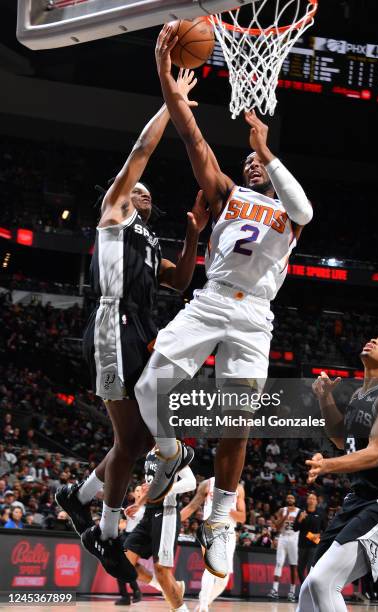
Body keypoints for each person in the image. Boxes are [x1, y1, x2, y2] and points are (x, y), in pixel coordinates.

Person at [134, 25, 313, 579]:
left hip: (255, 316)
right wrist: (169, 86)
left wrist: (267, 149)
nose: (253, 164)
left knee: (235, 421)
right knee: (147, 386)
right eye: (250, 161)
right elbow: (192, 139)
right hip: (211, 300)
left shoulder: (289, 213)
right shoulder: (227, 193)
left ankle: (219, 518)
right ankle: (171, 454)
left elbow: (305, 210)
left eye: (262, 163)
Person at [55, 70, 208, 581]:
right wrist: (172, 102)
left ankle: (80, 499)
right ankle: (107, 530)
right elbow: (141, 151)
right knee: (130, 440)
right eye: (133, 188)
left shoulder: (151, 239)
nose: (140, 191)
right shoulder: (114, 214)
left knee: (139, 442)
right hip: (113, 320)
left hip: (142, 326)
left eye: (145, 192)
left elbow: (182, 281)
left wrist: (192, 237)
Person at [297, 335, 378, 612]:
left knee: (324, 583)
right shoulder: (361, 395)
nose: (374, 340)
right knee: (311, 584)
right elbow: (339, 438)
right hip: (360, 498)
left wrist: (327, 466)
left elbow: (375, 453)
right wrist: (325, 398)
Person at [123, 447, 196, 612]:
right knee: (125, 563)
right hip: (149, 513)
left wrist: (163, 489)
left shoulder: (172, 450)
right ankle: (170, 587)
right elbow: (150, 487)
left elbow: (191, 482)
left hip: (166, 513)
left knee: (161, 570)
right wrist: (139, 503)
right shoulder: (149, 454)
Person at [180, 478, 246, 611]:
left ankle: (205, 600)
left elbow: (242, 517)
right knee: (211, 569)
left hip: (229, 532)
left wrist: (226, 508)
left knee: (224, 578)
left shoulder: (238, 488)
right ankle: (203, 605)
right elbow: (192, 506)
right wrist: (173, 520)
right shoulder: (208, 484)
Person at [116, 484, 146, 606]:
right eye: (136, 490)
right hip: (125, 537)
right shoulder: (129, 507)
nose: (138, 492)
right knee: (119, 567)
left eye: (140, 490)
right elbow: (122, 524)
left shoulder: (147, 510)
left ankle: (132, 593)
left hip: (137, 539)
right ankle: (130, 594)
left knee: (124, 568)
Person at [267, 493, 300, 602]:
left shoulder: (299, 511)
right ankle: (275, 590)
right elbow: (276, 526)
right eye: (288, 497)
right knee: (279, 563)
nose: (290, 499)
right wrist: (285, 516)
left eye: (292, 497)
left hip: (294, 539)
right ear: (286, 499)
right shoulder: (282, 510)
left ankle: (292, 591)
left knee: (293, 566)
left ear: (295, 500)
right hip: (283, 537)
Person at [293, 492, 325, 584]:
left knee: (310, 568)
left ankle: (308, 589)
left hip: (314, 544)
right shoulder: (302, 512)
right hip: (302, 544)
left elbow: (326, 529)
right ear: (307, 501)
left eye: (313, 499)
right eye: (309, 498)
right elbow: (295, 528)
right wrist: (300, 519)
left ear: (316, 502)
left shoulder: (320, 513)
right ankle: (304, 586)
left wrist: (319, 535)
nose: (311, 500)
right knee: (300, 569)